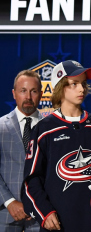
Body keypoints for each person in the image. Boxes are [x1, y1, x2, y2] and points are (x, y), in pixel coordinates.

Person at [22, 60, 91, 232]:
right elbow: (31, 181)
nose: (81, 89)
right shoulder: (45, 129)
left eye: (83, 83)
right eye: (73, 84)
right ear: (60, 87)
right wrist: (44, 212)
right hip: (59, 223)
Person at [0, 70, 42, 232]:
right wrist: (9, 201)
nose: (28, 97)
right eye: (23, 91)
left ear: (41, 94)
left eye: (33, 91)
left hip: (41, 213)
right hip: (5, 213)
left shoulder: (51, 128)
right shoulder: (0, 127)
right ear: (14, 93)